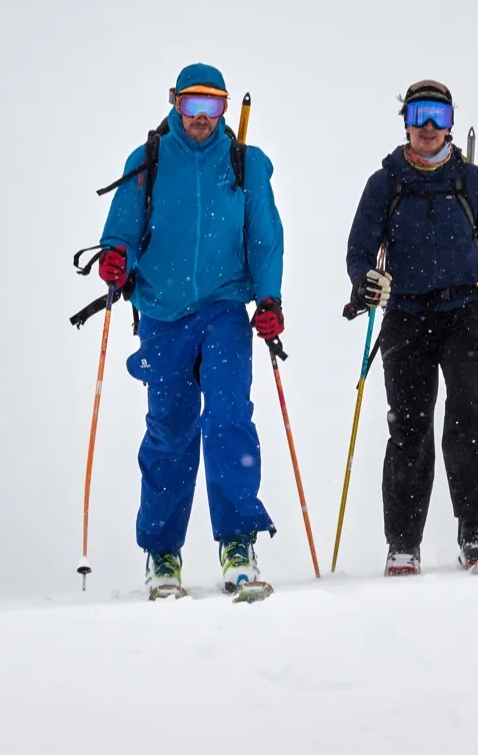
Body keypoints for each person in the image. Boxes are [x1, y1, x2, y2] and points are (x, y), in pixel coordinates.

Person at [97, 62, 286, 599]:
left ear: (226, 109)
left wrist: (269, 299)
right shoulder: (149, 161)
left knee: (228, 418)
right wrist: (116, 255)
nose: (202, 118)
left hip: (225, 307)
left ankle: (237, 543)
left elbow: (266, 238)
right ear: (174, 101)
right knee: (170, 429)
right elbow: (123, 227)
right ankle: (162, 554)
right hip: (162, 311)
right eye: (192, 105)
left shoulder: (246, 163)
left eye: (214, 106)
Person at [343, 79, 478, 576]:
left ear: (451, 123)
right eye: (420, 114)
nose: (429, 127)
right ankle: (403, 542)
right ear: (404, 120)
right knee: (408, 424)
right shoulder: (384, 184)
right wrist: (366, 284)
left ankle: (475, 530)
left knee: (471, 413)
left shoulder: (477, 183)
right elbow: (359, 251)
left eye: (439, 117)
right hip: (404, 316)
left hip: (465, 313)